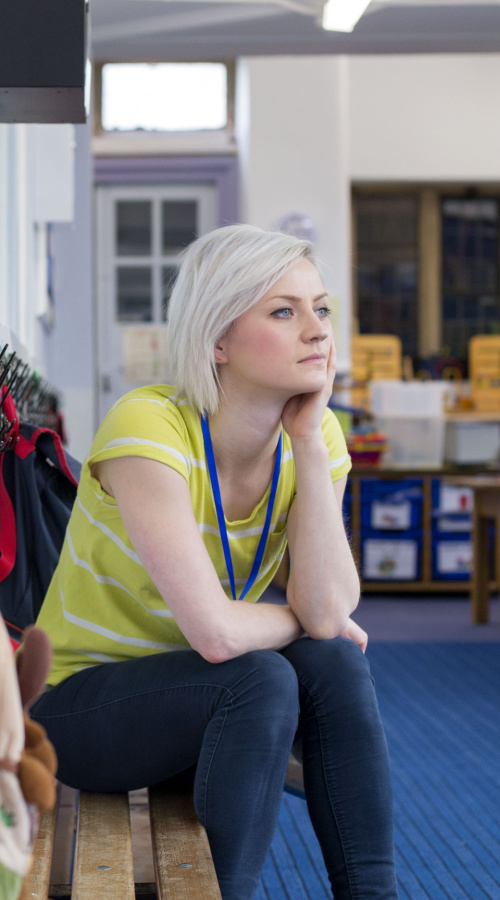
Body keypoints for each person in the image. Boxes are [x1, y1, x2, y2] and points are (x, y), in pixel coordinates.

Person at [32, 224, 399, 900]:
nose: (317, 330)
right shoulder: (148, 428)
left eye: (320, 308)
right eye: (282, 312)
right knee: (259, 676)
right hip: (79, 712)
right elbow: (220, 634)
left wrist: (312, 453)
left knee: (335, 661)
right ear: (217, 340)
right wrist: (298, 617)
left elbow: (330, 614)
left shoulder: (315, 434)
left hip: (204, 702)